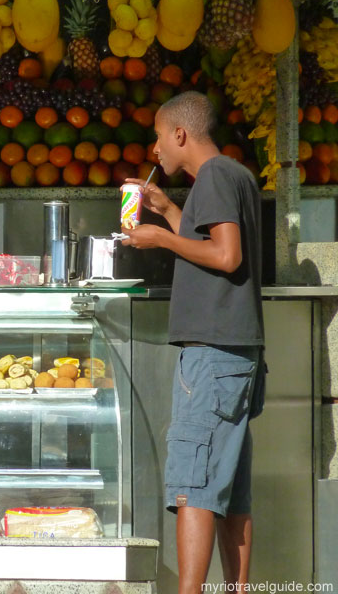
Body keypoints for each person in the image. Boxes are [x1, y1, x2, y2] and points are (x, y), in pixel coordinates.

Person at [121, 91, 265, 593]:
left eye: (159, 136)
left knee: (194, 486)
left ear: (180, 134)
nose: (155, 148)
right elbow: (211, 243)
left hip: (211, 353)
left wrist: (160, 239)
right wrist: (167, 210)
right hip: (235, 352)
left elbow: (226, 256)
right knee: (229, 488)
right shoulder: (234, 175)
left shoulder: (215, 176)